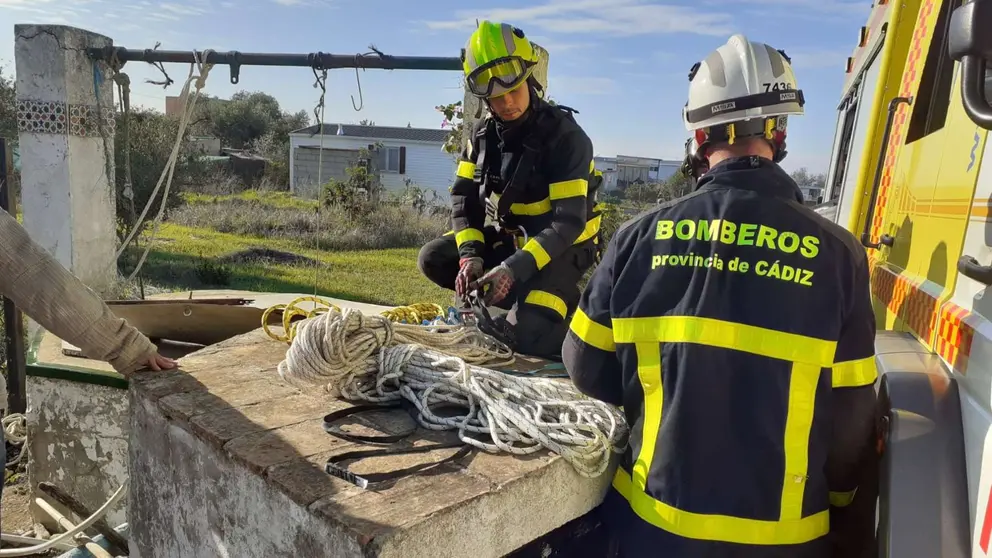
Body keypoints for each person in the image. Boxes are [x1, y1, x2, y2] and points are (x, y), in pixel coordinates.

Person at [562, 35, 879, 557]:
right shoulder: (839, 254)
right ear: (779, 132)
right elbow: (851, 418)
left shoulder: (639, 238)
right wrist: (842, 503)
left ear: (698, 135)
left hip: (654, 531)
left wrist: (665, 392)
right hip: (785, 542)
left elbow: (584, 367)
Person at [417, 20, 603, 360]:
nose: (506, 103)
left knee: (525, 338)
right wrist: (471, 256)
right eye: (496, 97)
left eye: (513, 91)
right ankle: (521, 302)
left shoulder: (567, 138)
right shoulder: (481, 137)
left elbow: (567, 223)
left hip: (562, 248)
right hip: (513, 240)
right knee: (432, 258)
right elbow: (463, 200)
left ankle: (565, 308)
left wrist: (512, 269)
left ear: (529, 79)